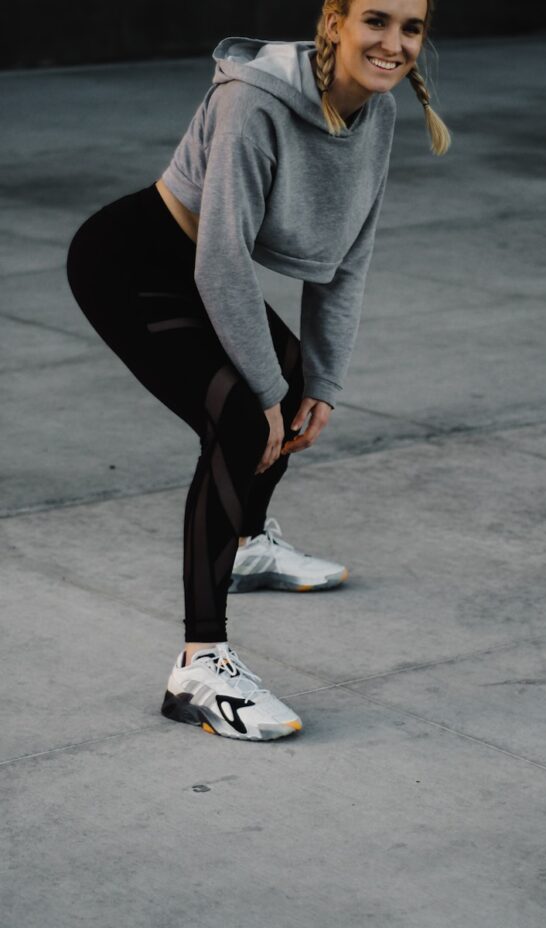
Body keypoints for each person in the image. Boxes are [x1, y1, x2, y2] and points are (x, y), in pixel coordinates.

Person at [66, 0, 451, 742]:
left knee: (297, 392)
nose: (394, 44)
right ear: (333, 22)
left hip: (204, 267)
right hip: (131, 262)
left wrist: (323, 384)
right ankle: (200, 666)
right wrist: (266, 395)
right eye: (376, 20)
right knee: (245, 419)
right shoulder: (251, 102)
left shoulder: (379, 116)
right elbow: (218, 258)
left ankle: (244, 543)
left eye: (411, 28)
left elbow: (348, 261)